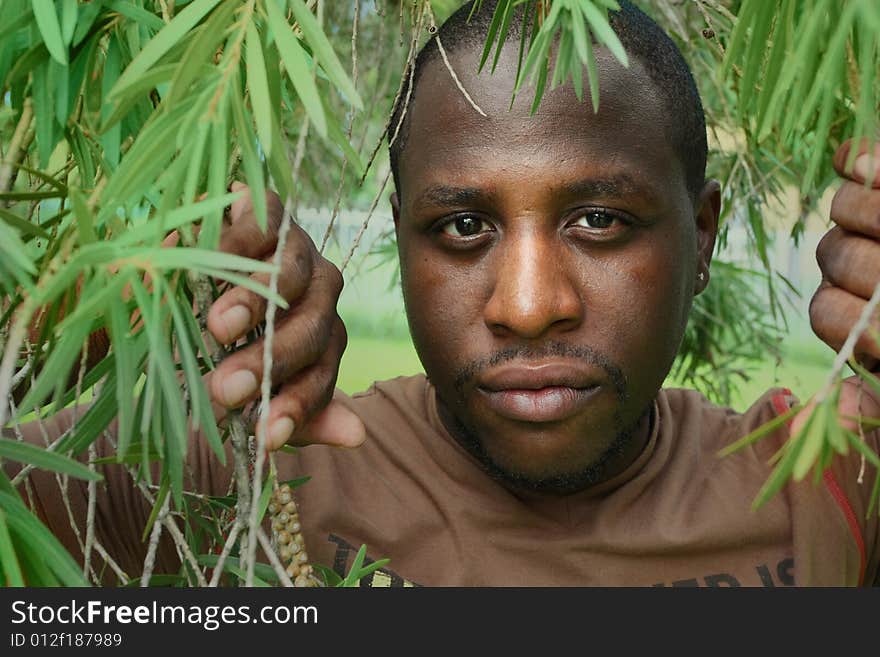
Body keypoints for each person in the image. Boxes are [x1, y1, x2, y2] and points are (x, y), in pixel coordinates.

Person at [6, 0, 880, 586]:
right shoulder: (236, 479)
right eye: (464, 228)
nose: (529, 305)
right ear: (400, 236)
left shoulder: (831, 493)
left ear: (701, 235)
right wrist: (62, 317)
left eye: (601, 220)